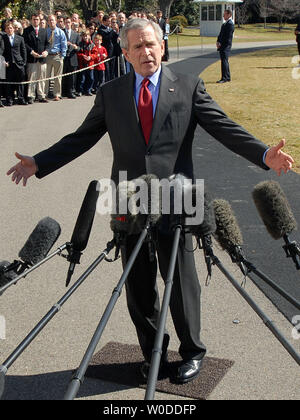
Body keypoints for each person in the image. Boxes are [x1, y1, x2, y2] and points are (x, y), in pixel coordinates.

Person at [7, 19, 294, 384]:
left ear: (162, 47)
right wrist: (40, 162)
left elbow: (222, 127)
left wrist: (263, 154)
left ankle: (193, 352)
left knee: (180, 280)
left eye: (151, 45)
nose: (146, 53)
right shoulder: (110, 93)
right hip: (128, 197)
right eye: (137, 47)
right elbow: (81, 138)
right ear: (125, 53)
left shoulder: (188, 86)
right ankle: (152, 351)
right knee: (138, 284)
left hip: (178, 197)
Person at [23, 13, 49, 104]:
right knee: (32, 78)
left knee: (42, 77)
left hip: (42, 59)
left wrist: (46, 51)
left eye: (37, 19)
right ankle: (31, 96)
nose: (36, 21)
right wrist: (31, 52)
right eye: (34, 19)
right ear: (31, 20)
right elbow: (24, 44)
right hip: (32, 59)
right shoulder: (26, 31)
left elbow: (47, 43)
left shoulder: (44, 31)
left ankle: (41, 95)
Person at [2, 21, 27, 106]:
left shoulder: (20, 38)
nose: (9, 30)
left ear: (14, 29)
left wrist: (23, 62)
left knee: (20, 82)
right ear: (5, 30)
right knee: (9, 83)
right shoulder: (3, 38)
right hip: (8, 64)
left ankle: (21, 99)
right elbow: (2, 51)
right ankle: (10, 99)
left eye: (11, 28)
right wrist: (3, 61)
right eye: (8, 28)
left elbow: (23, 51)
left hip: (19, 63)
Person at [46, 14, 67, 101]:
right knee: (46, 77)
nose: (51, 22)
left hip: (57, 56)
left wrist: (62, 55)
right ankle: (45, 94)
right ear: (48, 22)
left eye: (53, 20)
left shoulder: (61, 32)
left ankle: (57, 94)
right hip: (47, 56)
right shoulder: (45, 32)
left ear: (56, 21)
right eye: (50, 20)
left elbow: (64, 44)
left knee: (58, 77)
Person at [62, 16, 80, 99]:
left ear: (71, 23)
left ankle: (71, 91)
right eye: (66, 22)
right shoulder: (61, 32)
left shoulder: (76, 34)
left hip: (73, 57)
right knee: (64, 75)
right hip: (64, 57)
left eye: (69, 22)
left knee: (72, 77)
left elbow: (79, 47)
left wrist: (76, 47)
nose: (67, 24)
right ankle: (64, 91)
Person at [216, 9, 234, 83]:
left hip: (226, 46)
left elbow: (228, 37)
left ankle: (225, 78)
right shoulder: (225, 24)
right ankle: (227, 77)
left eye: (225, 14)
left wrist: (221, 43)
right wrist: (218, 41)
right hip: (222, 45)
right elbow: (221, 34)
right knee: (224, 61)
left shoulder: (230, 24)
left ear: (229, 15)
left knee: (224, 61)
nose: (223, 15)